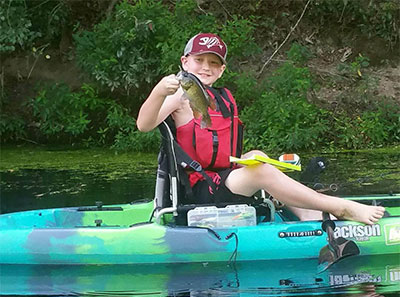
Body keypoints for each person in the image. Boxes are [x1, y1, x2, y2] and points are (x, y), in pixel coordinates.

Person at [137, 33, 385, 225]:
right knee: (260, 171)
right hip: (200, 188)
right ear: (185, 62)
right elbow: (144, 124)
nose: (206, 67)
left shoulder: (221, 97)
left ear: (222, 69)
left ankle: (308, 213)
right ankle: (339, 206)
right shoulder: (180, 93)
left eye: (213, 63)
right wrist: (159, 91)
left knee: (257, 156)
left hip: (221, 179)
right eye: (199, 60)